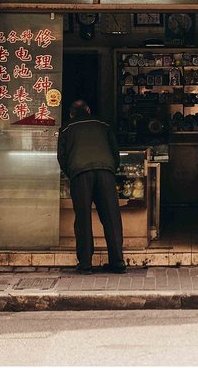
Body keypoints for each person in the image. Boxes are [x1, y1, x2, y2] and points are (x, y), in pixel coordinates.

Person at [57, 100, 125, 274]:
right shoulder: (103, 125)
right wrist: (111, 169)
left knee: (83, 218)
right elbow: (115, 152)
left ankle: (86, 264)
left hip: (80, 174)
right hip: (105, 172)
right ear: (88, 109)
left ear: (71, 114)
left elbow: (62, 157)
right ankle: (117, 262)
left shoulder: (66, 128)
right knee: (111, 217)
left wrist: (72, 173)